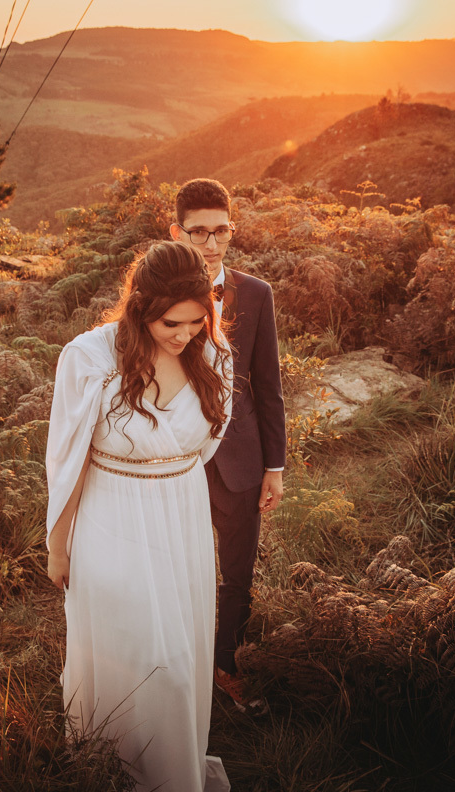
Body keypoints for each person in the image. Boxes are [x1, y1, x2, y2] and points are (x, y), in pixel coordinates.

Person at [45, 240, 233, 791]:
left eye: (197, 322)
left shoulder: (213, 352)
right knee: (142, 653)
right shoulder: (89, 359)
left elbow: (206, 443)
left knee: (182, 650)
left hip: (183, 515)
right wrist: (59, 545)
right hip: (113, 516)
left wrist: (173, 481)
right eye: (171, 323)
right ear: (140, 306)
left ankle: (174, 769)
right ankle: (115, 767)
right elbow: (68, 459)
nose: (184, 335)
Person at [170, 179, 286, 713]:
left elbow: (268, 385)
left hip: (240, 461)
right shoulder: (159, 296)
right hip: (174, 462)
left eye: (221, 231)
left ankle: (226, 667)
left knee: (237, 572)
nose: (211, 243)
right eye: (199, 232)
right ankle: (176, 670)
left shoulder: (257, 294)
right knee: (177, 569)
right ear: (178, 232)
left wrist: (274, 465)